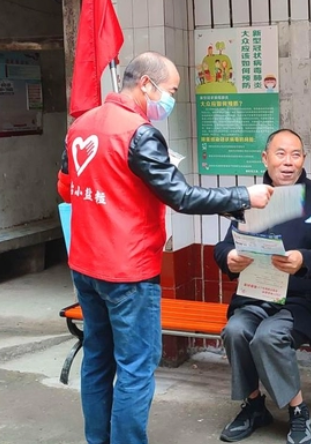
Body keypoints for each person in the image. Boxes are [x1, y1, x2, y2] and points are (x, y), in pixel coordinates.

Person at [57, 51, 273, 444]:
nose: (170, 99)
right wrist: (245, 195)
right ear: (146, 84)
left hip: (85, 265)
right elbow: (181, 196)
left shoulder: (80, 126)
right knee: (136, 368)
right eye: (170, 90)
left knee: (97, 359)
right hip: (128, 270)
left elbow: (65, 187)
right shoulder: (139, 133)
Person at [214, 129, 311, 444]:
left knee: (269, 336)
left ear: (303, 159)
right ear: (265, 159)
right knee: (235, 331)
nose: (288, 162)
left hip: (307, 302)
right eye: (280, 154)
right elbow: (224, 246)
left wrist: (305, 259)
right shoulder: (252, 199)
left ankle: (298, 410)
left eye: (295, 154)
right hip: (256, 297)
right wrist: (230, 258)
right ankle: (253, 406)